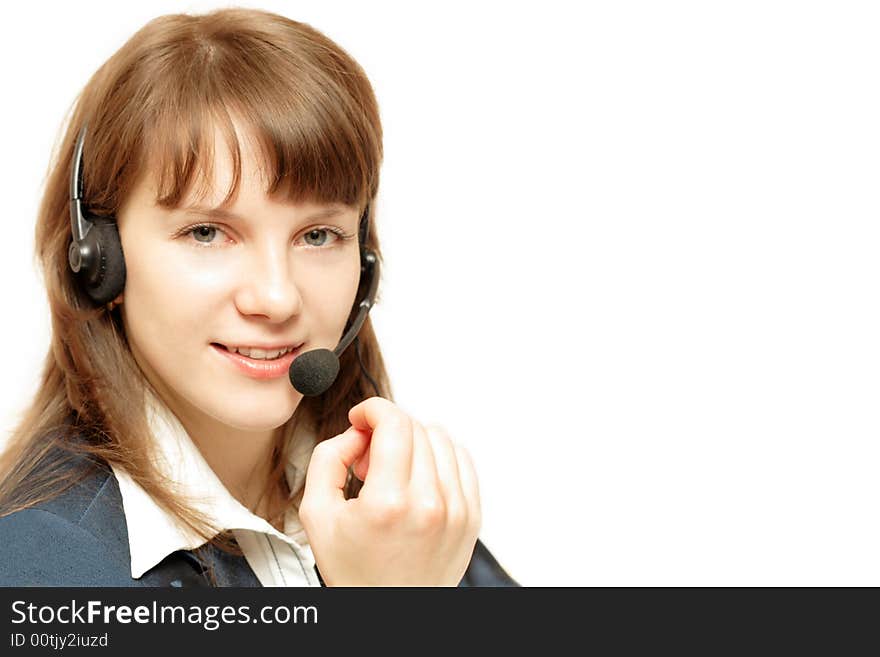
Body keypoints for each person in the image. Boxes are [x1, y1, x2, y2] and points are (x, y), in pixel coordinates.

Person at [0, 7, 516, 587]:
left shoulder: (393, 517)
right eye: (207, 233)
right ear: (100, 261)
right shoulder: (38, 569)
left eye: (318, 235)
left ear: (364, 265)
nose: (276, 298)